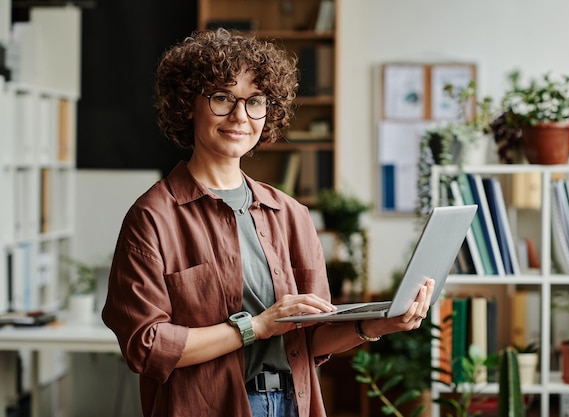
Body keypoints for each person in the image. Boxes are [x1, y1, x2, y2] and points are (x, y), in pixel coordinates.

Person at [101, 28, 435, 417]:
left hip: (293, 403)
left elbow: (312, 336)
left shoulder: (290, 214)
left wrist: (379, 325)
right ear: (187, 105)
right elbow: (146, 346)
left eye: (255, 101)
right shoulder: (153, 217)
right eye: (223, 98)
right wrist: (256, 327)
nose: (241, 116)